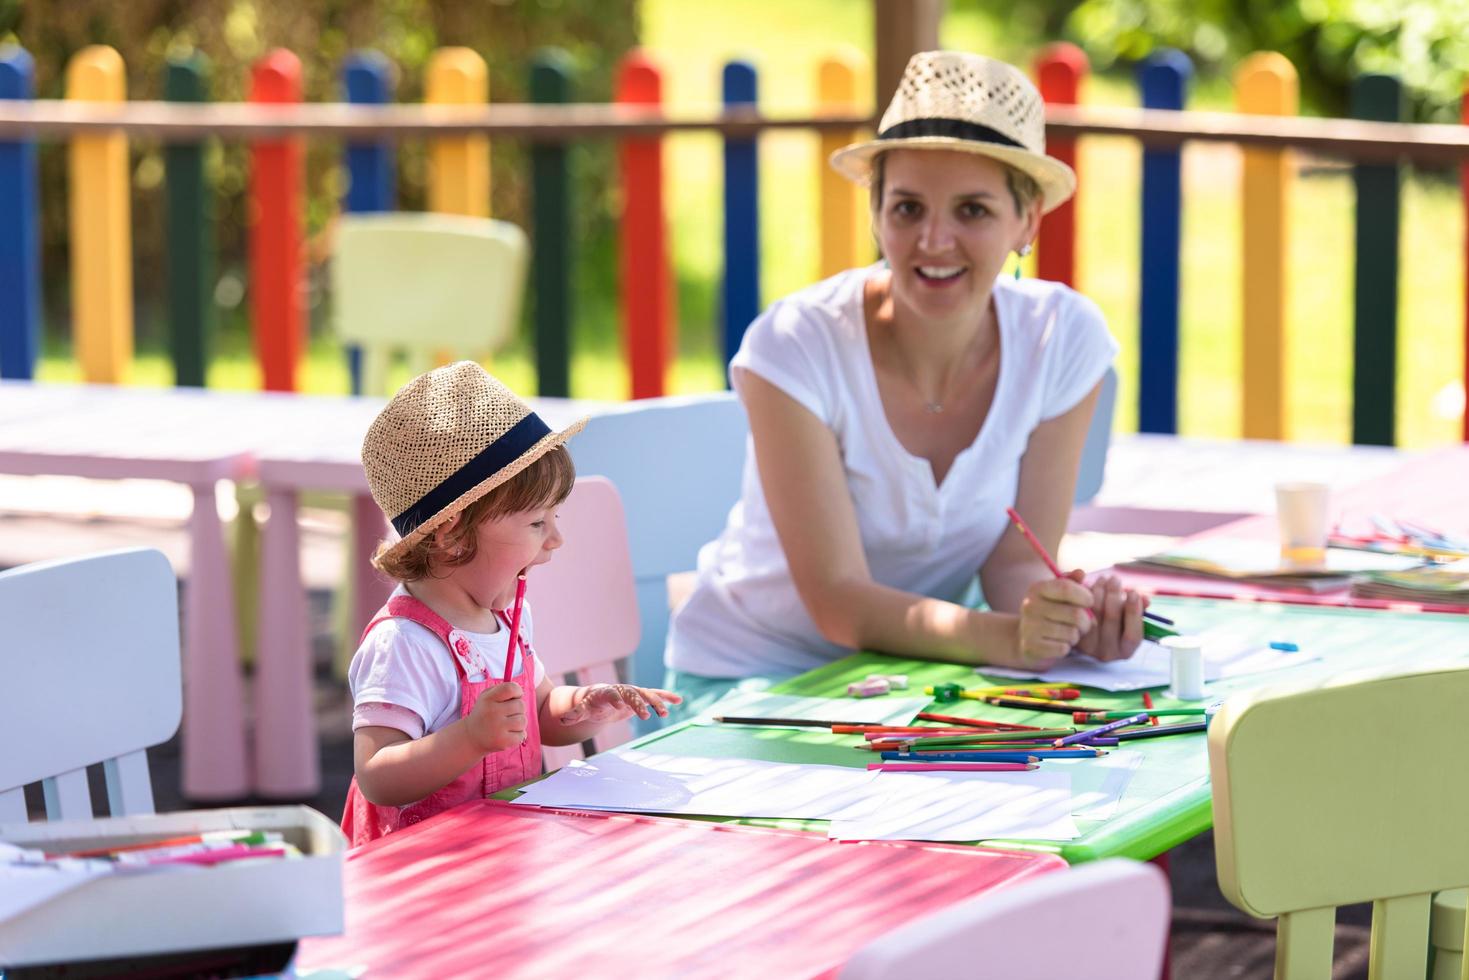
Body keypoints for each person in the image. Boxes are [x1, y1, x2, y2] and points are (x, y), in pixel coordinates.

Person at [665, 50, 1149, 715]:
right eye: (907, 208)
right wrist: (1011, 639)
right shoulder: (797, 344)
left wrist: (1071, 621)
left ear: (1027, 221)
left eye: (973, 211)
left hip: (918, 682)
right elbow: (838, 601)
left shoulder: (1062, 337)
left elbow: (1015, 564)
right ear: (874, 212)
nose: (933, 240)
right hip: (756, 680)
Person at [342, 361, 680, 845]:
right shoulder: (405, 643)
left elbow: (540, 713)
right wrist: (468, 738)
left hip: (497, 849)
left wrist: (585, 705)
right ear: (453, 535)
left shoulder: (504, 621)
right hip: (423, 865)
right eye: (537, 523)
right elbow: (377, 774)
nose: (556, 539)